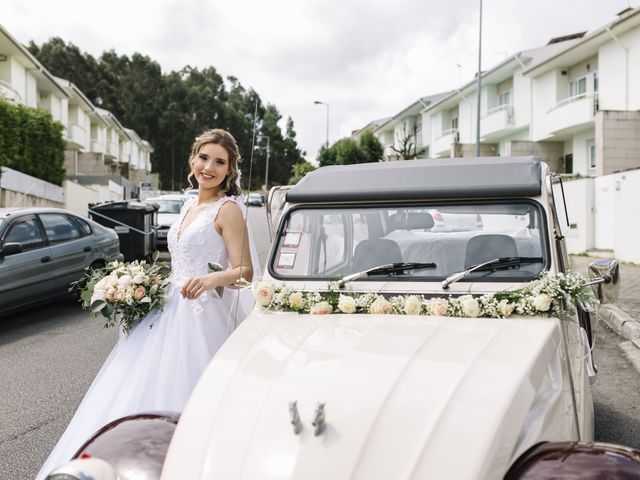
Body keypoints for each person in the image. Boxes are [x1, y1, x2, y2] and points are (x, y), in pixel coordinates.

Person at [37, 129, 257, 479]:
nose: (209, 167)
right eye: (204, 157)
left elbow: (245, 270)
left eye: (220, 162)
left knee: (196, 394)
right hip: (167, 308)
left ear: (230, 170)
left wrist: (211, 279)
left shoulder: (227, 209)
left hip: (201, 316)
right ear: (193, 158)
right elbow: (181, 258)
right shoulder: (188, 204)